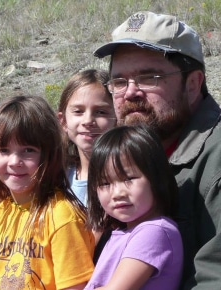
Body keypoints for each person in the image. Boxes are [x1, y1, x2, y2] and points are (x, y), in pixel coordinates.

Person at [93, 11, 221, 289]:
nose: (130, 92)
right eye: (119, 81)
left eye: (149, 77)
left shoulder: (216, 160)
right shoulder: (120, 154)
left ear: (193, 84)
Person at [0, 95, 95, 289]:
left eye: (28, 150)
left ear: (49, 155)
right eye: (4, 150)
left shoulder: (62, 217)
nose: (14, 161)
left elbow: (74, 286)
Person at [84, 125, 183, 289]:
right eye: (105, 183)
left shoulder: (154, 231)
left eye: (128, 178)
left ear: (156, 177)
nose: (117, 193)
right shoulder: (121, 232)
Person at [58, 69, 116, 206]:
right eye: (78, 111)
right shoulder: (59, 176)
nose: (88, 120)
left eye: (101, 112)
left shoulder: (127, 179)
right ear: (63, 121)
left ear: (117, 118)